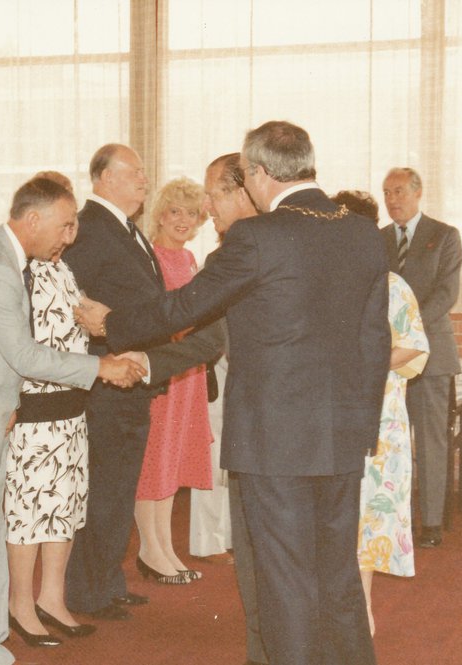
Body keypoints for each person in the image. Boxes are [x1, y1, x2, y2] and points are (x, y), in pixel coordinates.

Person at [78, 121, 390, 665]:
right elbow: (375, 338)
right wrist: (361, 428)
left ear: (258, 174)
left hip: (274, 442)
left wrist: (113, 324)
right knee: (337, 574)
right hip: (343, 437)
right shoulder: (361, 231)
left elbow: (184, 307)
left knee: (284, 579)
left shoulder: (260, 236)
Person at [0, 176, 145, 665]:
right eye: (65, 224)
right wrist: (102, 367)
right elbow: (26, 355)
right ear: (34, 220)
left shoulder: (4, 258)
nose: (70, 236)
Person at [62, 144, 225, 620]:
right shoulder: (91, 227)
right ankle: (88, 591)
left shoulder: (124, 228)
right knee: (106, 489)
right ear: (102, 177)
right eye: (133, 171)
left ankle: (108, 582)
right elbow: (74, 298)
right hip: (107, 378)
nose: (143, 179)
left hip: (133, 378)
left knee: (119, 487)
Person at [4, 170, 97, 647]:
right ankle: (20, 602)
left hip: (70, 406)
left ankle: (52, 597)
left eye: (73, 225)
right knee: (29, 510)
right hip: (34, 408)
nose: (70, 236)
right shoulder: (16, 269)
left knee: (64, 505)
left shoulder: (61, 268)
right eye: (64, 225)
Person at [335, 190, 430, 635]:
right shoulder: (323, 280)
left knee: (367, 517)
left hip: (379, 419)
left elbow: (413, 344)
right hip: (328, 414)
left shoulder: (392, 284)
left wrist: (367, 361)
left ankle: (362, 613)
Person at [197, 152, 268, 665]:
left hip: (264, 427)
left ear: (244, 193)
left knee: (263, 558)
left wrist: (118, 330)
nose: (206, 206)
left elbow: (186, 318)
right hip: (287, 427)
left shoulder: (244, 250)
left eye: (214, 194)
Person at [134, 177, 213, 585]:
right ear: (160, 214)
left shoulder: (191, 259)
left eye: (192, 212)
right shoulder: (152, 258)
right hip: (165, 369)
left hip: (191, 373)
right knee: (155, 458)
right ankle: (150, 548)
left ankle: (165, 545)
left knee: (174, 457)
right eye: (175, 211)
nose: (183, 220)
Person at [381, 167, 462, 548]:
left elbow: (446, 294)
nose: (392, 199)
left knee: (430, 441)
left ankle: (430, 523)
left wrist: (406, 329)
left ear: (417, 193)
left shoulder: (444, 236)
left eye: (398, 191)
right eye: (386, 192)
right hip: (385, 358)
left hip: (430, 353)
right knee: (387, 441)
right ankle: (391, 515)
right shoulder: (377, 239)